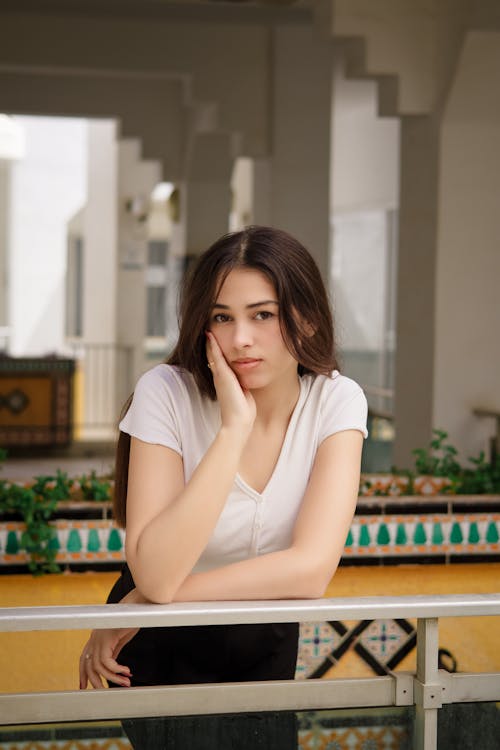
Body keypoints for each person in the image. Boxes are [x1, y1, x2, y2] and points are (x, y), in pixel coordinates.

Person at [79, 225, 368, 748]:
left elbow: (311, 570)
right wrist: (233, 430)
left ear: (305, 315)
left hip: (257, 635)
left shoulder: (336, 401)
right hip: (159, 644)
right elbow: (161, 574)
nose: (240, 339)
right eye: (222, 317)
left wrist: (139, 600)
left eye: (264, 315)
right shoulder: (166, 392)